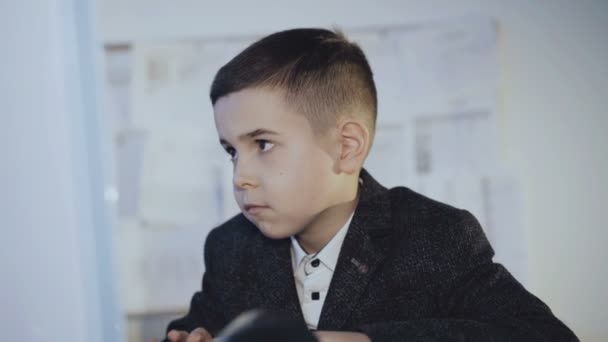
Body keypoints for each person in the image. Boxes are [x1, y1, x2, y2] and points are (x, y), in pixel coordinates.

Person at [162, 28, 577, 342]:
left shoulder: (436, 236)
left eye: (263, 143)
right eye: (231, 151)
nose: (240, 176)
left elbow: (545, 337)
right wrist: (186, 336)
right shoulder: (229, 247)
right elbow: (201, 322)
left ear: (347, 147)